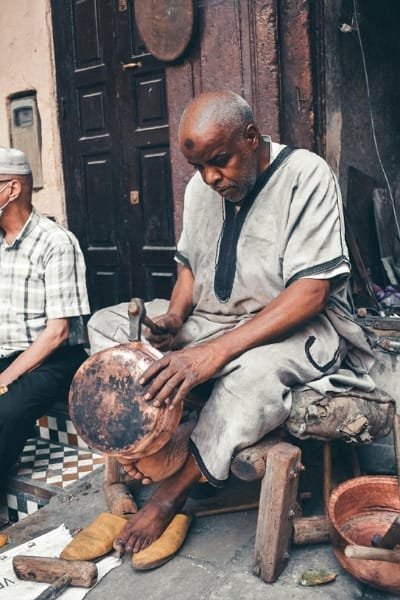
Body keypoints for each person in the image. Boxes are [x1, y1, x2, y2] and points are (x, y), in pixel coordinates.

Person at [88, 91, 375, 555]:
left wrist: (212, 354)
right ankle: (158, 441)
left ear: (250, 136)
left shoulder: (306, 175)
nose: (210, 178)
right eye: (200, 168)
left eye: (219, 162)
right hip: (211, 321)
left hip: (297, 328)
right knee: (107, 326)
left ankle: (170, 492)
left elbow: (311, 293)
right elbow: (189, 269)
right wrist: (175, 318)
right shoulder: (202, 187)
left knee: (250, 375)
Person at [0, 147, 90, 489]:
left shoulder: (56, 243)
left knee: (6, 411)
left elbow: (58, 333)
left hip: (54, 356)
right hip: (7, 352)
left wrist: (5, 378)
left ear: (12, 189)